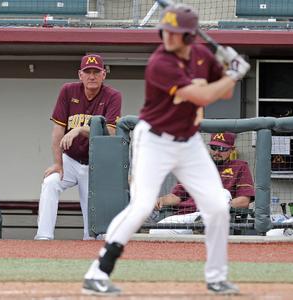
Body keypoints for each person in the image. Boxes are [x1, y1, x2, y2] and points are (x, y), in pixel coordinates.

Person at [82, 4, 250, 296]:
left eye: (176, 34)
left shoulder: (201, 56)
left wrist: (227, 67)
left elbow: (224, 92)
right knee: (142, 205)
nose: (169, 39)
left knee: (217, 206)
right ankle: (98, 272)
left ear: (189, 36)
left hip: (189, 142)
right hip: (155, 140)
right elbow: (200, 94)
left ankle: (217, 277)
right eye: (167, 32)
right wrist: (233, 74)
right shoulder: (160, 63)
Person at [34, 54, 122, 241]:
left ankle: (88, 248)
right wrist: (57, 164)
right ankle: (43, 237)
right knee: (50, 183)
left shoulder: (113, 96)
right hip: (70, 161)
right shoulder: (68, 91)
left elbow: (111, 132)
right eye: (87, 72)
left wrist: (80, 130)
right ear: (80, 74)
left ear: (103, 75)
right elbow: (58, 130)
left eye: (96, 72)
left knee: (91, 228)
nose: (92, 76)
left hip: (94, 164)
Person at [150, 132, 255, 234]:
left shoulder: (240, 166)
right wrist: (161, 200)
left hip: (216, 217)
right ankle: (200, 225)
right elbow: (176, 196)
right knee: (156, 231)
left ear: (232, 150)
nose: (217, 152)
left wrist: (223, 207)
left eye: (222, 149)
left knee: (222, 193)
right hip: (188, 216)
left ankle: (205, 223)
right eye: (214, 148)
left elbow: (244, 201)